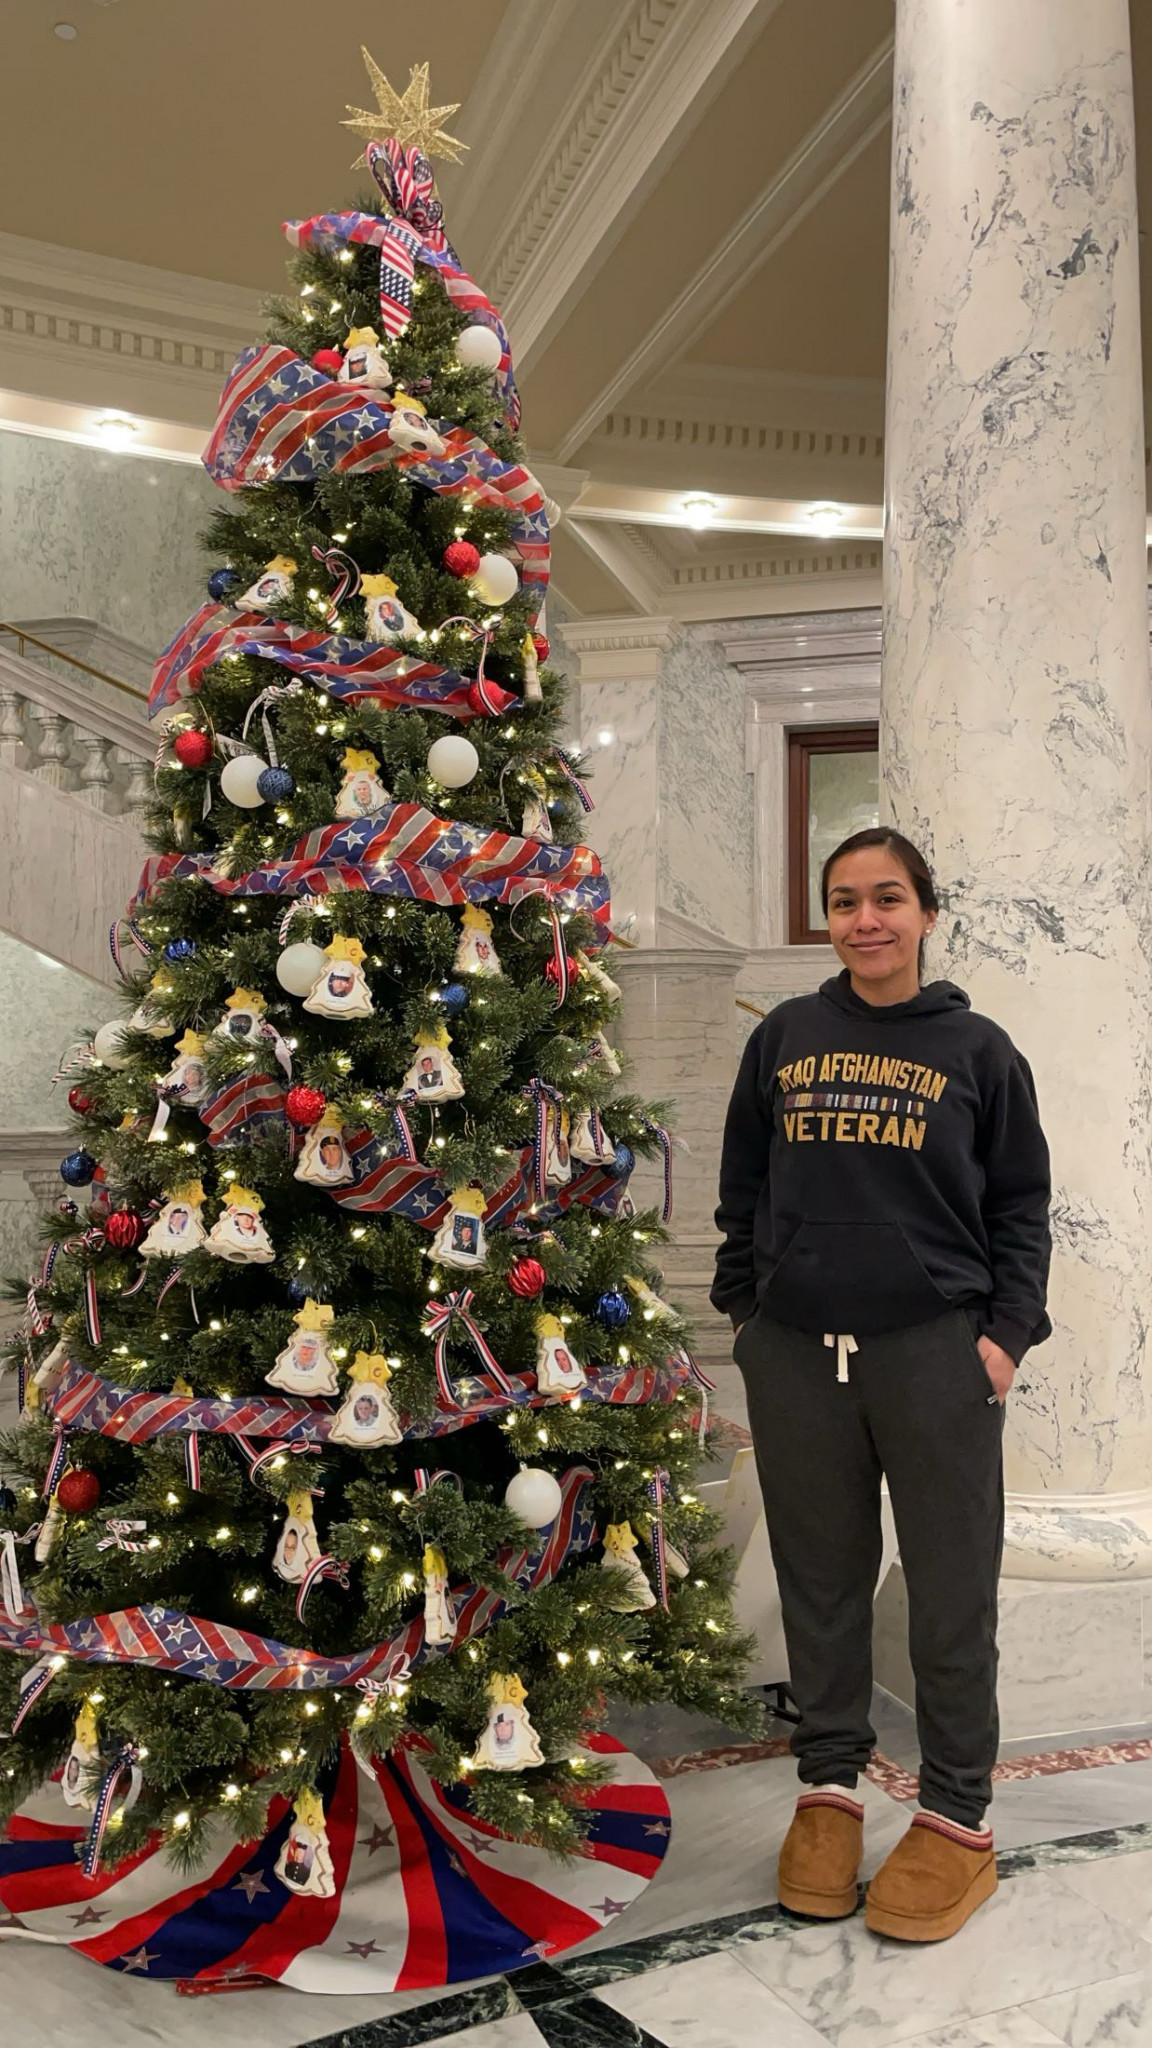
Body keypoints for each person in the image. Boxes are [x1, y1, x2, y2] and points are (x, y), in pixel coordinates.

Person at [712, 828, 1051, 1946]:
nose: (866, 919)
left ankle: (956, 1815)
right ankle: (829, 1789)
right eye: (846, 899)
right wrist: (747, 1312)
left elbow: (1020, 1206)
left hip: (935, 1353)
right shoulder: (784, 1037)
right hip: (796, 1353)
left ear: (925, 914)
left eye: (888, 898)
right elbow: (743, 1186)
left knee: (951, 1590)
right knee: (820, 1582)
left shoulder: (979, 1049)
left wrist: (1002, 1338)